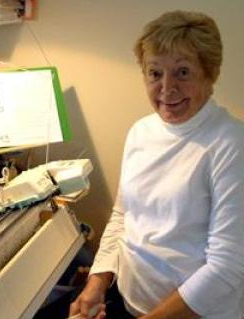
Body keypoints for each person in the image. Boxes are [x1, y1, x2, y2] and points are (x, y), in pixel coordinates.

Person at [69, 10, 244, 319]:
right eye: (155, 73)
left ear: (211, 73)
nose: (166, 88)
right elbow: (124, 216)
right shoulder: (141, 132)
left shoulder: (230, 142)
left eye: (183, 72)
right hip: (130, 302)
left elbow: (226, 267)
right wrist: (97, 282)